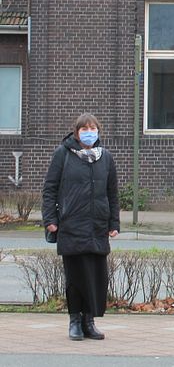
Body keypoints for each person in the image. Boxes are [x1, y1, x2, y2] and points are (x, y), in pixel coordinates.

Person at [42, 113, 119, 341]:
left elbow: (112, 193)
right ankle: (74, 321)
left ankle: (89, 321)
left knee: (96, 276)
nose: (89, 132)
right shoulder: (63, 154)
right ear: (76, 133)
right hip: (72, 225)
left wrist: (113, 222)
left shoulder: (105, 157)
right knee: (75, 277)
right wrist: (50, 220)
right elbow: (50, 189)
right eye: (84, 128)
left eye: (93, 128)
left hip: (97, 227)